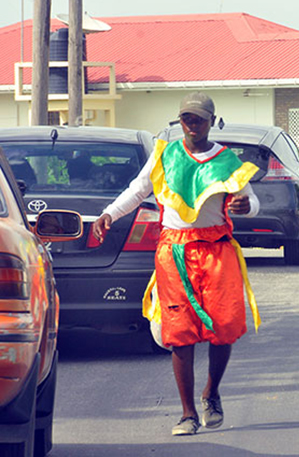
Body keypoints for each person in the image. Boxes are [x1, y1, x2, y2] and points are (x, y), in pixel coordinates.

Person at [91, 92, 261, 435]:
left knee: (223, 329)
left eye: (198, 119)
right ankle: (187, 414)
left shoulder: (227, 161)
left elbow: (249, 200)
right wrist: (108, 213)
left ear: (212, 121)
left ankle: (211, 393)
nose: (191, 125)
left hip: (217, 251)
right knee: (179, 332)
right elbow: (137, 190)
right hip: (174, 252)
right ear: (179, 121)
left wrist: (246, 207)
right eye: (186, 118)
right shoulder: (164, 155)